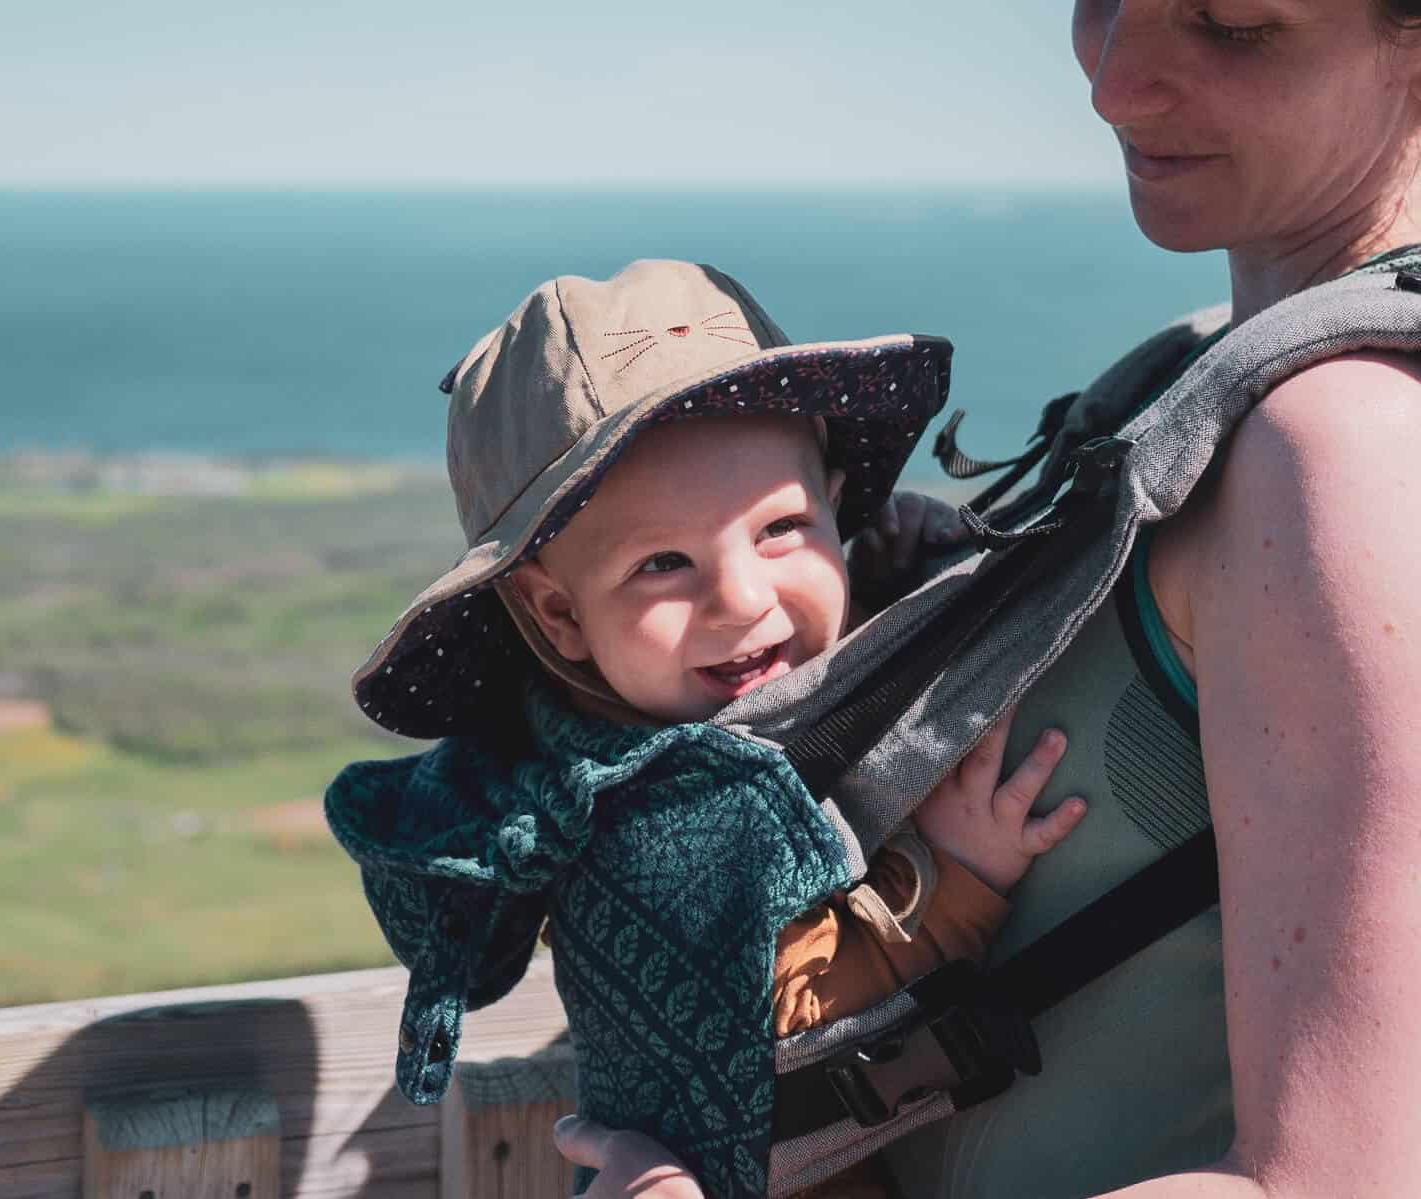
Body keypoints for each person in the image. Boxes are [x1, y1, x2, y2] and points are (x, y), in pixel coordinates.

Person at [554, 0, 1421, 1199]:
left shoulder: (1359, 444)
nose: (1114, 76)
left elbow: (1336, 1184)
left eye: (1228, 22)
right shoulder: (1230, 366)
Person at [324, 258, 1087, 1198]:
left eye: (780, 529)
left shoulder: (812, 690)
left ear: (839, 505)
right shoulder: (640, 816)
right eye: (664, 563)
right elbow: (782, 1025)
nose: (741, 598)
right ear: (559, 613)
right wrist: (956, 883)